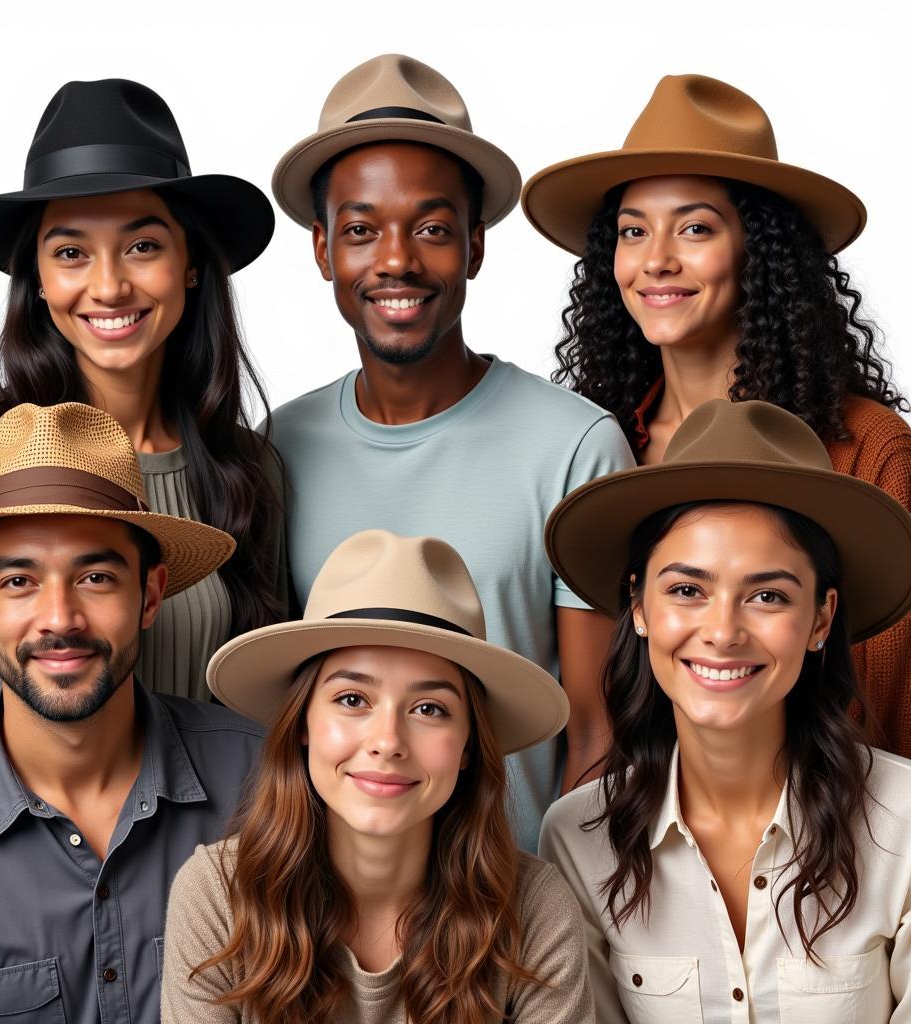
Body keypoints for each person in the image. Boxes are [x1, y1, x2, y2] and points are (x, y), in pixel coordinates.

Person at [268, 53, 634, 848]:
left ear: (474, 247)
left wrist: (550, 915)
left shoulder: (576, 447)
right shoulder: (279, 447)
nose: (396, 260)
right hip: (329, 914)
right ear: (324, 251)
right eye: (362, 231)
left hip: (508, 910)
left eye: (431, 230)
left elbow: (596, 736)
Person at [522, 72, 911, 759]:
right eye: (632, 231)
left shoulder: (867, 451)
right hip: (620, 841)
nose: (656, 261)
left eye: (695, 228)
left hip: (828, 840)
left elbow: (890, 706)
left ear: (759, 251)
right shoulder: (588, 447)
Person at [0, 77, 285, 759]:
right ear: (38, 278)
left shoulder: (248, 470)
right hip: (11, 857)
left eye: (142, 246)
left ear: (190, 264)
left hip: (212, 854)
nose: (108, 285)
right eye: (71, 251)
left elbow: (265, 722)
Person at [0, 402, 263, 1022]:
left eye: (95, 578)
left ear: (150, 593)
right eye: (18, 582)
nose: (60, 618)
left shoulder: (267, 784)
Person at [538, 399, 911, 1022]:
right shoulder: (578, 840)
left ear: (821, 617)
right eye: (688, 590)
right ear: (638, 605)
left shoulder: (904, 823)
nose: (723, 631)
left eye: (767, 595)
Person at [161, 528, 595, 1023]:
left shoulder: (536, 909)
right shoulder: (218, 895)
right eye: (352, 700)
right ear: (303, 723)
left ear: (470, 744)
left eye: (430, 708)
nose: (387, 741)